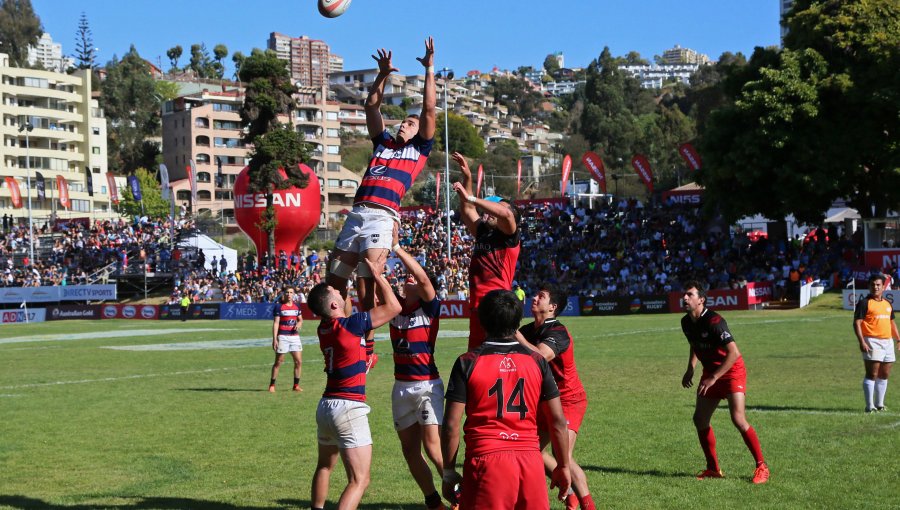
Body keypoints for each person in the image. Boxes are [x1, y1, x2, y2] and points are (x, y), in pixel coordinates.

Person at [326, 38, 436, 352]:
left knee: (367, 278)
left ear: (419, 132)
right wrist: (383, 74)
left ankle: (368, 342)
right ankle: (343, 334)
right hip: (357, 215)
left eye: (411, 122)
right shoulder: (383, 144)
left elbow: (428, 108)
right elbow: (371, 106)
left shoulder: (419, 150)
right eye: (403, 119)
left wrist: (428, 68)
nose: (406, 123)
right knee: (334, 281)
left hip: (382, 217)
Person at [441, 289, 571, 510]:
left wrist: (449, 471)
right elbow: (558, 420)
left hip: (487, 462)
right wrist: (563, 465)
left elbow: (451, 424)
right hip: (530, 462)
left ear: (482, 321)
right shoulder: (537, 362)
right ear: (518, 321)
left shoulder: (467, 361)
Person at [308, 259, 402, 510]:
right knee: (359, 480)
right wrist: (377, 276)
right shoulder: (351, 324)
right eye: (338, 293)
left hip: (327, 405)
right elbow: (394, 307)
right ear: (334, 304)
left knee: (325, 466)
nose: (341, 292)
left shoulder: (324, 327)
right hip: (348, 407)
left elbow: (346, 348)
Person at [680, 281, 769, 484]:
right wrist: (690, 369)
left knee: (738, 418)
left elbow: (734, 353)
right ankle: (713, 469)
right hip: (711, 373)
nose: (684, 298)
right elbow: (694, 345)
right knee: (700, 419)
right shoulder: (686, 322)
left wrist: (714, 377)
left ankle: (762, 467)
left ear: (701, 300)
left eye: (689, 295)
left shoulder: (715, 321)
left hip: (731, 371)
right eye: (684, 295)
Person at [517, 284, 595, 510]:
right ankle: (569, 493)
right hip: (546, 401)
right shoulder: (529, 330)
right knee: (532, 451)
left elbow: (540, 356)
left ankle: (587, 505)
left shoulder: (558, 331)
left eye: (541, 296)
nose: (534, 298)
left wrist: (514, 334)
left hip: (569, 400)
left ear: (552, 307)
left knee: (564, 457)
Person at [389, 238, 448, 510]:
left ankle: (459, 492)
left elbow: (423, 278)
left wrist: (397, 247)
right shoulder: (394, 307)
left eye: (412, 276)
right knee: (409, 450)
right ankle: (433, 501)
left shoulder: (429, 309)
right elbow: (373, 290)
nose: (408, 277)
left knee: (432, 446)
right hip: (400, 386)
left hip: (426, 384)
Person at [451, 152, 520, 350]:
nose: (489, 211)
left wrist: (471, 196)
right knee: (475, 358)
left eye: (495, 208)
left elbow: (505, 213)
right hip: (478, 308)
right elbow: (468, 210)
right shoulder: (483, 232)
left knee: (498, 358)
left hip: (498, 306)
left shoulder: (509, 237)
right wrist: (468, 178)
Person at [853, 274, 899, 412]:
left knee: (884, 374)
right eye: (873, 285)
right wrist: (862, 341)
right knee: (872, 374)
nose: (875, 287)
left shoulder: (887, 303)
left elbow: (891, 322)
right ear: (868, 286)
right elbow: (857, 323)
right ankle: (869, 406)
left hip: (888, 342)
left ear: (883, 287)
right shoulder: (864, 303)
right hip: (872, 341)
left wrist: (898, 338)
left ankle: (879, 404)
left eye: (878, 285)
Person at [269, 287, 303, 393]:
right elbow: (276, 323)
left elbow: (301, 319)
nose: (289, 294)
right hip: (283, 336)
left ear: (294, 294)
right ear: (284, 294)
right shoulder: (279, 307)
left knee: (298, 362)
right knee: (279, 362)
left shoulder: (297, 306)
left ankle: (296, 385)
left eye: (291, 292)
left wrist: (298, 323)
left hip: (295, 337)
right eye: (287, 292)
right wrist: (275, 339)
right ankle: (272, 385)